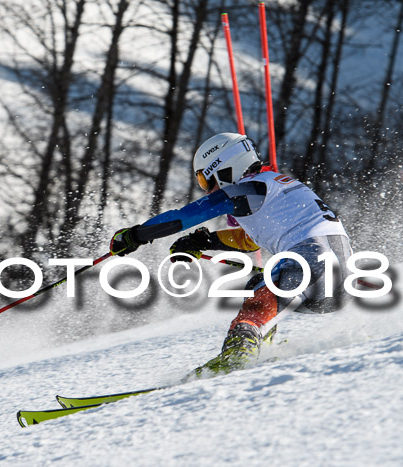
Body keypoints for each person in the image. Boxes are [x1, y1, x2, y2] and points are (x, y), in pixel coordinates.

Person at [110, 133, 353, 376]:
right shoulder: (273, 186)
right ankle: (258, 347)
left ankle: (240, 349)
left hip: (313, 258)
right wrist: (206, 241)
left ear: (224, 168)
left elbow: (185, 216)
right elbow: (249, 241)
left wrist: (136, 235)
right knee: (260, 284)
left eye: (206, 181)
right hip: (339, 277)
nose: (208, 191)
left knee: (261, 290)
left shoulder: (249, 188)